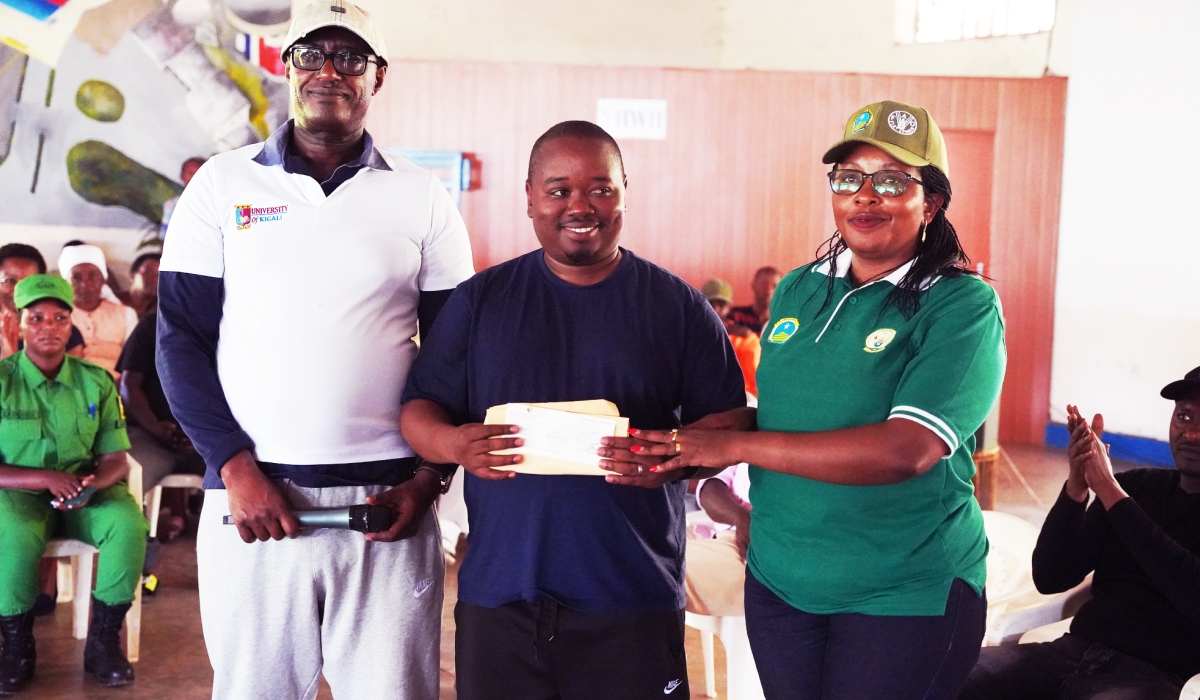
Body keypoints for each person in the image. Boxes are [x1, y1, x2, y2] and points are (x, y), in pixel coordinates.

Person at [612, 100, 1006, 699]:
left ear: (931, 202)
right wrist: (685, 450)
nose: (865, 196)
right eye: (849, 179)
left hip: (902, 591)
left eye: (892, 181)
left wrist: (732, 444)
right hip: (781, 580)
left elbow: (908, 450)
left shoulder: (960, 305)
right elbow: (784, 416)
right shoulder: (800, 288)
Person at [156, 1, 474, 697]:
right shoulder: (221, 185)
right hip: (252, 494)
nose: (329, 71)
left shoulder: (423, 197)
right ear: (285, 65)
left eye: (350, 58)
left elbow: (456, 351)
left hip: (389, 502)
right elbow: (180, 340)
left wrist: (426, 480)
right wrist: (234, 467)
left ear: (377, 77)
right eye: (311, 55)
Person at [400, 120, 747, 700]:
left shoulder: (676, 306)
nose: (579, 205)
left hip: (631, 594)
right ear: (530, 198)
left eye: (600, 188)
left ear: (624, 193)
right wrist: (455, 444)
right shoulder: (481, 301)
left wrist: (675, 454)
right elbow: (419, 409)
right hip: (502, 594)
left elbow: (731, 423)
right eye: (559, 189)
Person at [959, 367, 1200, 700]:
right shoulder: (1138, 487)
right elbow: (1052, 576)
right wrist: (1077, 486)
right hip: (1070, 652)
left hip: (1153, 675)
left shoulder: (1121, 493)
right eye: (1184, 417)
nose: (1192, 434)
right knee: (944, 679)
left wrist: (1108, 489)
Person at [0, 275, 148, 693]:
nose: (49, 326)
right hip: (19, 496)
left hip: (87, 495)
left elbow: (116, 457)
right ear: (19, 324)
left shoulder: (96, 382)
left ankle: (103, 644)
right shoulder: (3, 381)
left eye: (59, 318)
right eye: (37, 318)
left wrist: (92, 486)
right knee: (10, 533)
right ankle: (16, 648)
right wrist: (45, 477)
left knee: (127, 525)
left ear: (71, 324)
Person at [58, 245, 138, 379]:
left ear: (103, 279)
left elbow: (133, 362)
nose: (85, 284)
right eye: (76, 277)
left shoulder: (126, 314)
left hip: (115, 386)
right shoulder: (56, 316)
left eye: (93, 276)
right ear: (65, 282)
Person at [0, 244, 84, 360]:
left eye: (29, 282)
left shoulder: (62, 332)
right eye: (9, 281)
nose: (18, 290)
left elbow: (69, 377)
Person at [702, 278, 761, 397]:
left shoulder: (746, 339)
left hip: (739, 399)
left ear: (729, 308)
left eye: (721, 304)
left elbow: (754, 382)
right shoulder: (686, 333)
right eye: (710, 303)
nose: (715, 309)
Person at [729, 266, 781, 335]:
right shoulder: (735, 315)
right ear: (753, 285)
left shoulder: (784, 322)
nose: (768, 291)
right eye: (763, 285)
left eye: (775, 286)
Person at [127, 253, 160, 319]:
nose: (154, 280)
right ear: (132, 276)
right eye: (148, 273)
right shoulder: (115, 303)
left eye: (159, 276)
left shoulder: (160, 311)